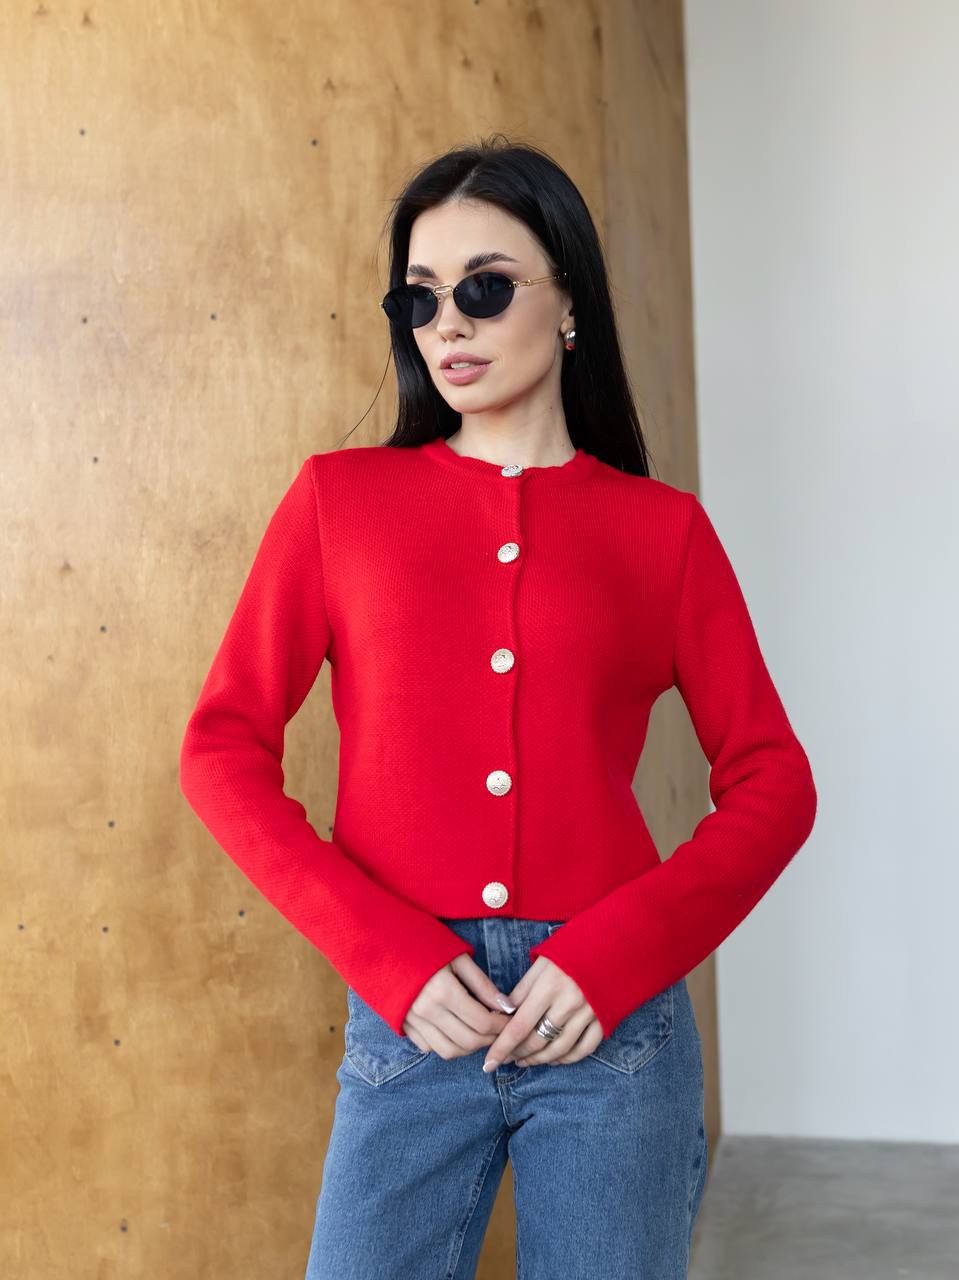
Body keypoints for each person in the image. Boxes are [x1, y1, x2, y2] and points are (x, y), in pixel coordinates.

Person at [179, 134, 817, 1279]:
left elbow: (773, 782)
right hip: (409, 1014)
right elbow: (221, 749)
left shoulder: (659, 530)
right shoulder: (341, 501)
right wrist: (387, 957)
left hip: (608, 1024)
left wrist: (616, 953)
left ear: (567, 299)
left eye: (482, 286)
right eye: (418, 296)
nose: (446, 324)